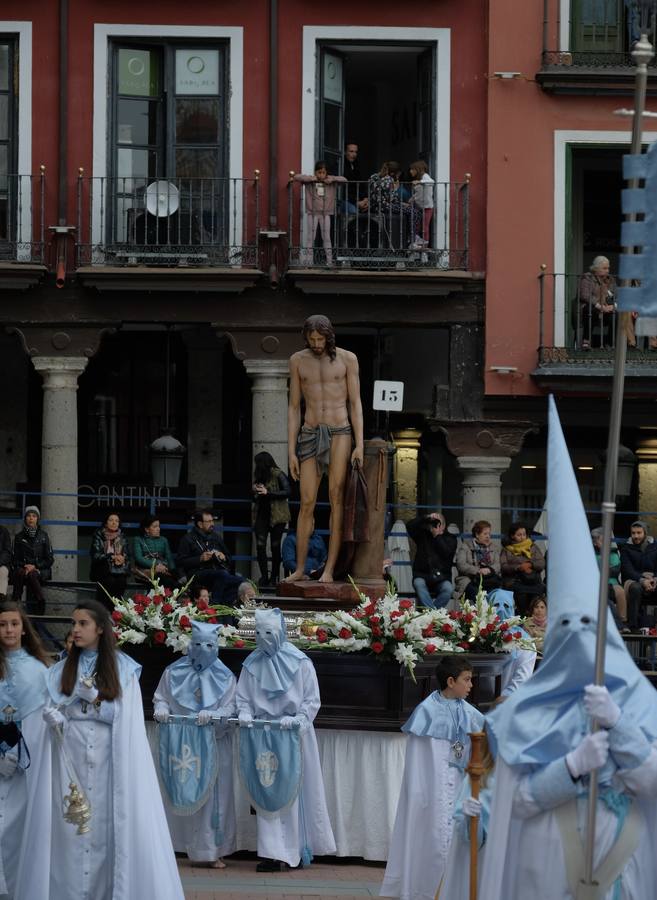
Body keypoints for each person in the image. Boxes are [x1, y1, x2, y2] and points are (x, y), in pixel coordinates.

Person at [480, 396, 657, 900]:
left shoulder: (642, 704)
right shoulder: (522, 713)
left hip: (624, 867)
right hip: (547, 872)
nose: (581, 637)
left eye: (589, 624)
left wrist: (621, 726)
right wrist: (571, 766)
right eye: (570, 626)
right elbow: (513, 805)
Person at [41, 599, 185, 900]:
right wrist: (55, 719)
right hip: (73, 758)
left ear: (101, 629)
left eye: (83, 624)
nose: (76, 629)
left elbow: (123, 719)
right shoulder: (61, 669)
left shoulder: (123, 669)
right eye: (73, 623)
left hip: (109, 758)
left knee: (105, 828)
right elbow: (57, 709)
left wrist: (94, 697)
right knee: (73, 829)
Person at [236, 608, 336, 871]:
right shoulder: (251, 663)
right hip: (261, 735)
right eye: (258, 633)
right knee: (266, 790)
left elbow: (312, 700)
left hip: (292, 735)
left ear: (280, 633)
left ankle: (293, 850)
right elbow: (243, 696)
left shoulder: (301, 662)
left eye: (269, 633)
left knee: (292, 794)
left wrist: (300, 720)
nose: (263, 638)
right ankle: (271, 852)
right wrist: (245, 712)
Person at [380, 657, 485, 900]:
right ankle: (423, 890)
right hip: (432, 787)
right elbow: (419, 761)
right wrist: (422, 793)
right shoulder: (426, 712)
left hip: (459, 787)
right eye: (466, 680)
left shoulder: (471, 714)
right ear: (451, 681)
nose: (471, 685)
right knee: (431, 836)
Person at [286, 315, 364, 584]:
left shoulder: (347, 359)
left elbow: (355, 404)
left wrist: (360, 444)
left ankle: (329, 569)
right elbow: (295, 407)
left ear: (329, 336)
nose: (317, 344)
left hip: (340, 431)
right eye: (312, 339)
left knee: (336, 499)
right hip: (309, 432)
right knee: (306, 502)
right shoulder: (297, 360)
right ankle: (299, 568)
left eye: (321, 339)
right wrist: (290, 451)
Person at [153, 621, 237, 869]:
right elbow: (162, 696)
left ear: (217, 646)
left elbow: (232, 706)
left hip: (213, 744)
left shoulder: (225, 676)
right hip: (180, 743)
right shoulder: (173, 672)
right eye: (198, 644)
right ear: (190, 644)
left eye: (209, 645)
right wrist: (161, 708)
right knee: (177, 790)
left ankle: (211, 851)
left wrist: (216, 715)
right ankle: (174, 845)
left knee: (213, 798)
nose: (203, 649)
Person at [0, 599, 51, 899]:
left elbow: (42, 718)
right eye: (3, 624)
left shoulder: (40, 670)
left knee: (19, 828)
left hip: (24, 765)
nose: (8, 630)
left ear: (23, 628)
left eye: (14, 624)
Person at [176, 509, 246, 605]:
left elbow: (229, 558)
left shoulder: (216, 537)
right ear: (200, 524)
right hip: (197, 574)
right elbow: (180, 561)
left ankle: (225, 604)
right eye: (209, 521)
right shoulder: (188, 539)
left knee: (242, 582)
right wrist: (200, 559)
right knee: (222, 574)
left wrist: (223, 557)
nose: (212, 523)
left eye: (213, 521)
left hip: (217, 572)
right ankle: (215, 604)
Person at [293, 162, 347, 265]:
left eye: (323, 172)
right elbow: (296, 177)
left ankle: (329, 261)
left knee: (326, 237)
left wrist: (332, 179)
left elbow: (344, 180)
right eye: (319, 172)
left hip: (325, 214)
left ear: (326, 173)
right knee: (310, 237)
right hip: (312, 213)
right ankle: (309, 261)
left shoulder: (330, 180)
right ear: (315, 172)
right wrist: (311, 179)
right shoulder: (311, 180)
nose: (321, 175)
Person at [252, 451, 291, 587]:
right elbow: (254, 497)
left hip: (278, 515)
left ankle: (274, 577)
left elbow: (288, 491)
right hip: (261, 514)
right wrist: (255, 491)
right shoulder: (259, 475)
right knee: (260, 546)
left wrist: (268, 492)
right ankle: (264, 576)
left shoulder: (278, 473)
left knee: (275, 546)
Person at [406, 511, 457, 609]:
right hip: (422, 575)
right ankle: (432, 614)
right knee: (419, 584)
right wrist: (426, 517)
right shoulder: (423, 535)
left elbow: (446, 552)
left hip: (442, 578)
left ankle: (429, 614)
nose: (435, 524)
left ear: (444, 525)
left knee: (448, 589)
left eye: (438, 522)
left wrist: (437, 536)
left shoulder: (451, 538)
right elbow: (409, 526)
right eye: (433, 522)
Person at [12, 505, 54, 615]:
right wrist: (26, 566)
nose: (31, 518)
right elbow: (14, 559)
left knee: (32, 575)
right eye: (29, 516)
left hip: (40, 570)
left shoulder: (44, 536)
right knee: (20, 572)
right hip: (23, 569)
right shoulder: (19, 537)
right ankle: (16, 601)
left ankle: (40, 601)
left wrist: (35, 566)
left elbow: (49, 560)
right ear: (25, 518)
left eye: (34, 516)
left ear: (37, 519)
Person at [500, 521, 545, 615]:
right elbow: (504, 566)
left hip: (533, 580)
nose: (522, 537)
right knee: (521, 594)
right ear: (512, 536)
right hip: (515, 580)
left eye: (524, 534)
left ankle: (535, 619)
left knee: (538, 592)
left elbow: (541, 562)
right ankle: (522, 617)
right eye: (519, 535)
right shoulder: (507, 550)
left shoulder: (533, 547)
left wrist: (530, 564)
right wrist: (518, 567)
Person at [620, 519, 657, 629]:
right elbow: (628, 570)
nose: (636, 536)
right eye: (633, 533)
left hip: (653, 579)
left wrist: (655, 579)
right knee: (635, 588)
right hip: (634, 580)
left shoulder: (655, 547)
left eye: (639, 533)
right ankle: (633, 626)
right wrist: (642, 579)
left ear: (645, 533)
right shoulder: (626, 548)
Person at [89, 510, 131, 608]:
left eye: (116, 521)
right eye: (111, 520)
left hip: (119, 570)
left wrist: (122, 558)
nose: (114, 523)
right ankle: (105, 610)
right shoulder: (99, 535)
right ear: (106, 522)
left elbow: (128, 555)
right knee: (109, 581)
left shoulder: (122, 537)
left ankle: (115, 610)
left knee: (121, 581)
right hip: (102, 569)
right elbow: (95, 555)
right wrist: (110, 556)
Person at [455, 519, 502, 601]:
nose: (488, 536)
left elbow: (497, 565)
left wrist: (489, 569)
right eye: (485, 534)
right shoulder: (465, 546)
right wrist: (478, 571)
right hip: (469, 579)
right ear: (477, 534)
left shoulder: (493, 547)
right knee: (479, 596)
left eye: (489, 534)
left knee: (496, 595)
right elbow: (461, 564)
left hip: (488, 580)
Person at [591, 525, 628, 628]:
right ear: (594, 542)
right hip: (596, 584)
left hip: (612, 582)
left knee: (620, 592)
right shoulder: (590, 554)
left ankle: (623, 621)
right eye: (601, 540)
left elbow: (615, 570)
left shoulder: (613, 553)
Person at [132, 513, 178, 589]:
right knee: (166, 582)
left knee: (176, 583)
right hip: (145, 571)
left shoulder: (163, 540)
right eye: (155, 526)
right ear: (147, 529)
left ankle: (166, 600)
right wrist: (156, 565)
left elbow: (169, 558)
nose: (158, 529)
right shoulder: (138, 540)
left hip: (163, 570)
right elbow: (139, 558)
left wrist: (172, 571)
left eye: (159, 526)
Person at [408, 159, 435, 249]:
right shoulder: (419, 179)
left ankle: (425, 248)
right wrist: (412, 199)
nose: (410, 171)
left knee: (425, 227)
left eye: (412, 169)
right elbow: (419, 193)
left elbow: (432, 182)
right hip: (418, 207)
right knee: (417, 227)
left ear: (417, 169)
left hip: (427, 208)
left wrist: (420, 182)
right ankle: (418, 246)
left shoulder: (425, 176)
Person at [342, 142, 368, 214]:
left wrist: (365, 199)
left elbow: (362, 184)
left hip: (358, 200)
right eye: (351, 151)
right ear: (344, 152)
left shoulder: (357, 165)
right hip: (344, 200)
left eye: (356, 152)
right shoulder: (340, 165)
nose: (354, 154)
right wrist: (356, 202)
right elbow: (343, 190)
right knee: (354, 212)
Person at [0, 523, 11, 598]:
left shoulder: (3, 531)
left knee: (3, 571)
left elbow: (7, 551)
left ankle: (1, 598)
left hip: (1, 564)